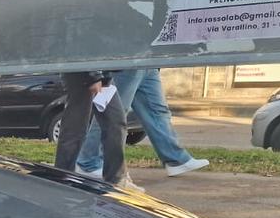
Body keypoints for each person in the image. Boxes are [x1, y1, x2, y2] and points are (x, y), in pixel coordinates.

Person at [76, 68, 209, 177]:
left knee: (157, 111)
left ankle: (176, 159)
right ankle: (88, 162)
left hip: (148, 62)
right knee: (112, 114)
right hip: (127, 62)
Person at [53, 70, 135, 188]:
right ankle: (62, 177)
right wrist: (94, 76)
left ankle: (115, 179)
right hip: (82, 73)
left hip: (103, 75)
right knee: (75, 129)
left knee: (116, 123)